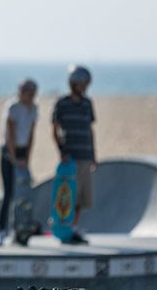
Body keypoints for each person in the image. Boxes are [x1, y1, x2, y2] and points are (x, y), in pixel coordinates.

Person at [52, 65, 97, 245]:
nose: (84, 86)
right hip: (70, 157)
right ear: (74, 83)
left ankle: (73, 229)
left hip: (86, 154)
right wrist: (61, 151)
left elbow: (90, 129)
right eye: (82, 83)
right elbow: (54, 129)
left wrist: (94, 153)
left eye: (86, 83)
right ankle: (66, 229)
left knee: (82, 197)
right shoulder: (62, 104)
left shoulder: (87, 103)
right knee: (69, 195)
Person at [0, 79, 38, 246]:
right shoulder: (12, 107)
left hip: (22, 151)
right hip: (8, 151)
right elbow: (10, 134)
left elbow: (31, 134)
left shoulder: (34, 108)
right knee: (8, 192)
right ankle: (0, 230)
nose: (32, 96)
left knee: (23, 193)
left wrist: (26, 158)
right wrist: (13, 158)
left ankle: (17, 230)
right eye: (29, 93)